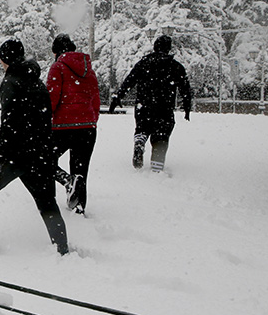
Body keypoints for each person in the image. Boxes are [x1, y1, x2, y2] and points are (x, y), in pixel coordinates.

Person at [0, 39, 69, 255]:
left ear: (5, 59)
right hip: (39, 154)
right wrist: (47, 155)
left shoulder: (11, 82)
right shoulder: (37, 82)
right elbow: (45, 120)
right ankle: (61, 248)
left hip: (16, 155)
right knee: (47, 203)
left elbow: (9, 124)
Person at [109, 35, 192, 173]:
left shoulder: (144, 63)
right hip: (164, 108)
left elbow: (129, 80)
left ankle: (140, 140)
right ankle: (156, 168)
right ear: (169, 48)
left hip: (144, 106)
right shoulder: (176, 67)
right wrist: (187, 107)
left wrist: (118, 97)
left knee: (142, 127)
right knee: (161, 135)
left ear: (155, 47)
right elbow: (185, 90)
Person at [46, 34, 100, 214]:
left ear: (56, 52)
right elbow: (95, 101)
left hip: (62, 128)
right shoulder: (89, 71)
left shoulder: (58, 67)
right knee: (81, 169)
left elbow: (51, 100)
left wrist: (44, 120)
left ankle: (65, 183)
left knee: (44, 160)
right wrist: (90, 121)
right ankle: (78, 207)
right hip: (87, 128)